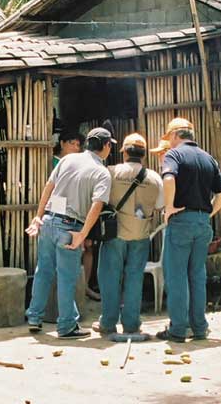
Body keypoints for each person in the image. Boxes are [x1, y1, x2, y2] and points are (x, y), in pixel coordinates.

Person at [25, 127, 115, 338]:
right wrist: (83, 234)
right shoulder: (102, 172)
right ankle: (66, 326)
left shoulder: (67, 160)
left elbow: (49, 187)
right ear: (106, 146)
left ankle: (34, 317)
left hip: (49, 220)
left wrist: (38, 216)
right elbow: (98, 204)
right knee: (67, 277)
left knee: (43, 271)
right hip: (70, 227)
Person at [156, 117, 221, 343]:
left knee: (176, 276)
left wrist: (169, 208)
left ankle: (177, 329)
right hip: (202, 224)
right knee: (197, 276)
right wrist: (208, 214)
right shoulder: (209, 159)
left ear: (176, 135)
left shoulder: (174, 155)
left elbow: (168, 178)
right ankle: (199, 328)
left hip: (181, 221)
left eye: (170, 138)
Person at [94, 133, 163, 336]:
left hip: (115, 234)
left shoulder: (110, 172)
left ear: (124, 152)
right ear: (143, 154)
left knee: (109, 277)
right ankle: (132, 323)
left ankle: (108, 322)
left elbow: (99, 198)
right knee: (134, 278)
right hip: (141, 235)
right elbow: (160, 205)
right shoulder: (154, 177)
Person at [52, 128, 99, 301]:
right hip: (62, 214)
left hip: (84, 211)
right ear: (62, 143)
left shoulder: (82, 163)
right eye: (71, 143)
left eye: (78, 144)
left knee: (88, 247)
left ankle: (84, 286)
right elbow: (53, 191)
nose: (75, 147)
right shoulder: (54, 163)